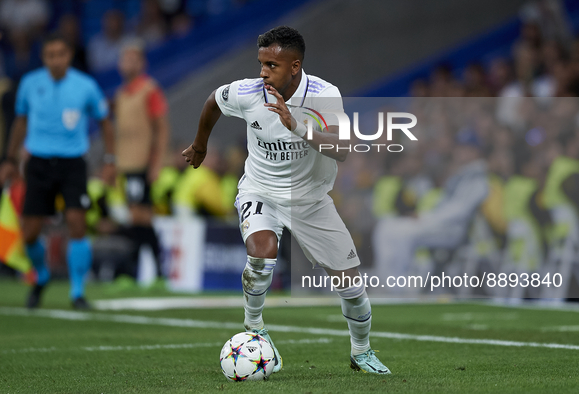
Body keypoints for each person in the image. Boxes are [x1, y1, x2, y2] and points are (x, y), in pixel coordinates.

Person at [182, 26, 390, 375]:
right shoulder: (248, 92)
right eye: (261, 62)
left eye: (272, 65)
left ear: (295, 66)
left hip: (310, 199)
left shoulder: (324, 96)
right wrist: (201, 144)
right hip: (260, 189)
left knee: (352, 286)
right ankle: (255, 330)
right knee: (261, 253)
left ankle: (362, 352)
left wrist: (295, 126)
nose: (263, 71)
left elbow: (342, 150)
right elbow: (213, 101)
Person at [0, 33, 116, 309]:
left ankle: (77, 292)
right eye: (50, 55)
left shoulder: (86, 86)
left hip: (72, 163)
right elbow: (20, 122)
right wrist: (9, 159)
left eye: (60, 54)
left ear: (68, 56)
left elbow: (105, 122)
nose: (55, 60)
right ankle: (41, 275)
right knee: (29, 232)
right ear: (44, 57)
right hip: (37, 163)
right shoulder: (29, 84)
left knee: (77, 223)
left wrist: (110, 159)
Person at [372, 129, 489, 283]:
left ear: (476, 152)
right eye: (459, 147)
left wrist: (427, 218)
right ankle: (385, 282)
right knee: (386, 227)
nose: (460, 152)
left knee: (404, 234)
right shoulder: (460, 174)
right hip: (437, 222)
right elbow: (444, 203)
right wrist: (425, 216)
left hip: (454, 230)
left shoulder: (478, 179)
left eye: (466, 148)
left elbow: (460, 211)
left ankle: (399, 285)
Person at [113, 39, 169, 279]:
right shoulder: (120, 95)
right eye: (124, 59)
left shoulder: (149, 90)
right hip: (126, 164)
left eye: (132, 59)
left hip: (142, 163)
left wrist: (157, 163)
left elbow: (162, 128)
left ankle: (135, 272)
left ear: (142, 63)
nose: (127, 63)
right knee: (139, 217)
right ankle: (154, 272)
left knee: (139, 217)